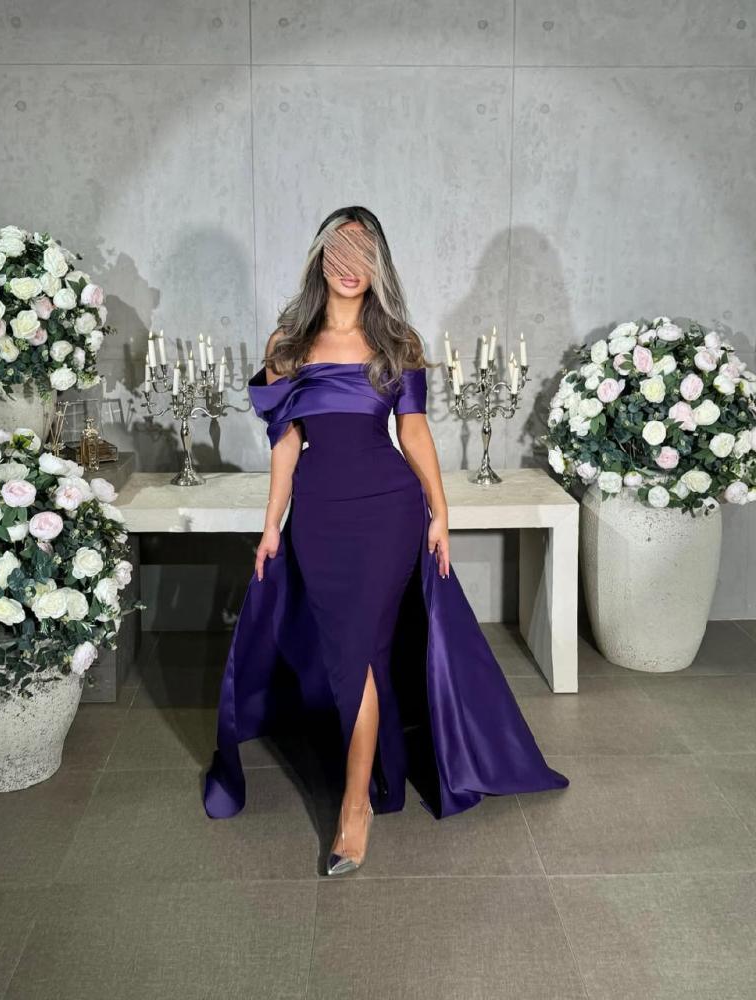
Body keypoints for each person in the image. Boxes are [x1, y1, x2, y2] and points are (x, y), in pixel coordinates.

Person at [204, 206, 569, 876]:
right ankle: (377, 772)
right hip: (319, 515)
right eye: (339, 251)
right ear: (320, 259)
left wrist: (440, 511)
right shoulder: (287, 344)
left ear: (378, 267)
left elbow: (416, 431)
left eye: (364, 254)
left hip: (389, 512)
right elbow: (286, 442)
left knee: (361, 651)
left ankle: (355, 808)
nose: (350, 267)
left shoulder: (398, 341)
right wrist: (271, 524)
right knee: (350, 653)